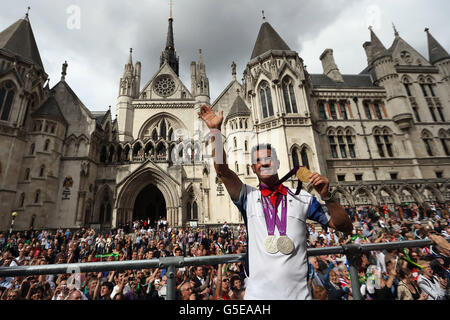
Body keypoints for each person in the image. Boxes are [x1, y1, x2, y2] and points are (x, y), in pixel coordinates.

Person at [198, 105, 353, 300]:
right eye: (259, 161)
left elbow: (344, 226)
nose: (264, 162)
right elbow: (222, 171)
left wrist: (327, 196)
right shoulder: (248, 197)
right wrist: (215, 131)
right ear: (253, 168)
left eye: (269, 158)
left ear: (278, 163)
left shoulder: (303, 198)